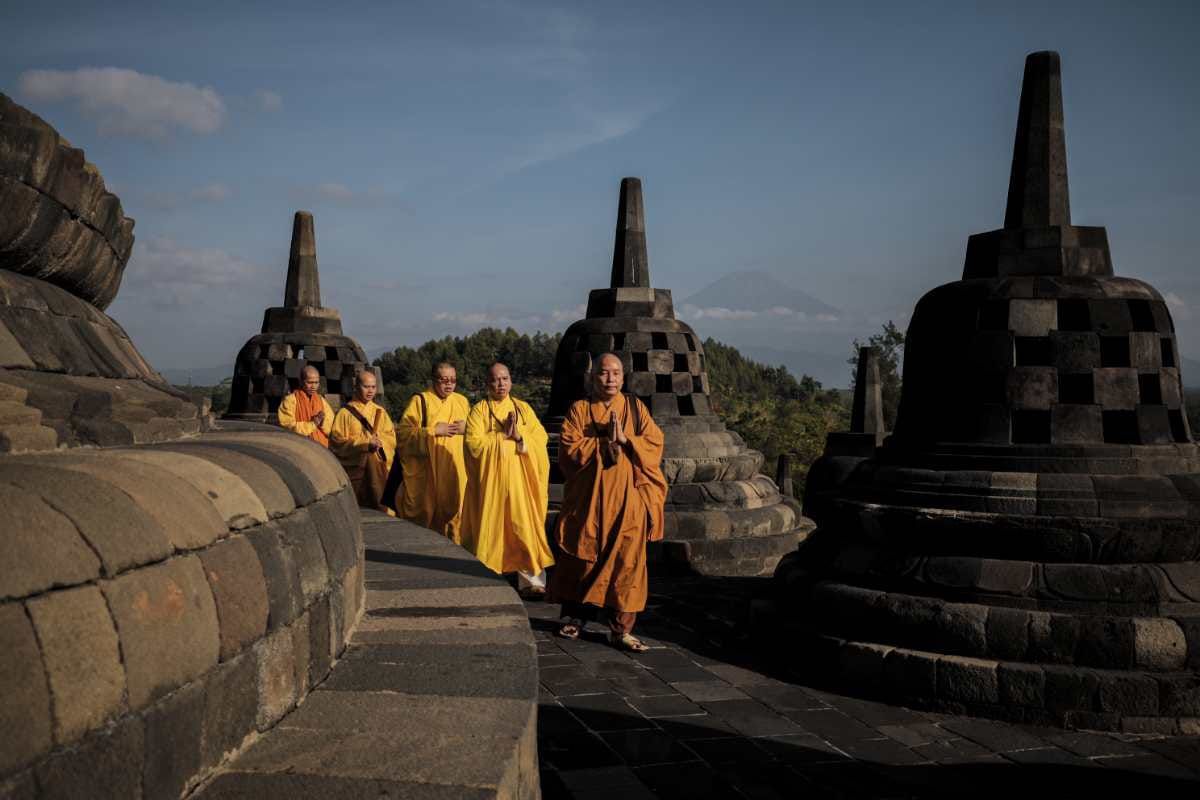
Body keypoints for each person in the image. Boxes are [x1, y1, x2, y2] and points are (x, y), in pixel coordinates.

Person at [548, 353, 667, 652]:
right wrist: (603, 443)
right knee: (582, 555)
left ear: (623, 378)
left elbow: (654, 443)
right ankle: (576, 616)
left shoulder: (635, 409)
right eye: (603, 373)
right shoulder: (580, 409)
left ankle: (620, 629)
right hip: (589, 501)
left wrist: (627, 440)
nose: (610, 378)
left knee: (627, 562)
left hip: (627, 500)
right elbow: (569, 449)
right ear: (593, 378)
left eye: (616, 373)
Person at [460, 362, 554, 599]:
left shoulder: (523, 409)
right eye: (495, 380)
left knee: (525, 528)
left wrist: (519, 436)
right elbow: (474, 445)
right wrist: (503, 436)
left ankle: (531, 580)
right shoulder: (479, 411)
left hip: (521, 482)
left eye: (504, 379)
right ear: (487, 384)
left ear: (511, 381)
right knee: (491, 530)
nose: (500, 384)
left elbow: (540, 438)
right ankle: (488, 576)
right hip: (492, 485)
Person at [395, 362, 469, 540]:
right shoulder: (420, 401)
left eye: (453, 380)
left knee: (456, 518)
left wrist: (468, 429)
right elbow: (403, 435)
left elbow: (476, 434)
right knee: (427, 517)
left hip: (455, 471)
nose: (449, 384)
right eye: (444, 380)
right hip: (428, 474)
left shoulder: (462, 401)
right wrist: (433, 431)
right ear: (434, 380)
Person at [330, 369, 396, 512]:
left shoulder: (380, 412)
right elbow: (337, 443)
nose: (370, 391)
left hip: (377, 472)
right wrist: (365, 444)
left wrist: (380, 443)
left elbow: (391, 437)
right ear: (356, 387)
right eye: (366, 386)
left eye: (373, 387)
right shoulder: (345, 413)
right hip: (356, 474)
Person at [277, 365, 334, 447]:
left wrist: (322, 422)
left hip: (322, 450)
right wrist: (313, 424)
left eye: (316, 382)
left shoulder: (321, 401)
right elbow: (287, 426)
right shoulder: (290, 401)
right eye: (310, 382)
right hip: (299, 448)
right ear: (300, 381)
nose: (313, 386)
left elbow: (332, 427)